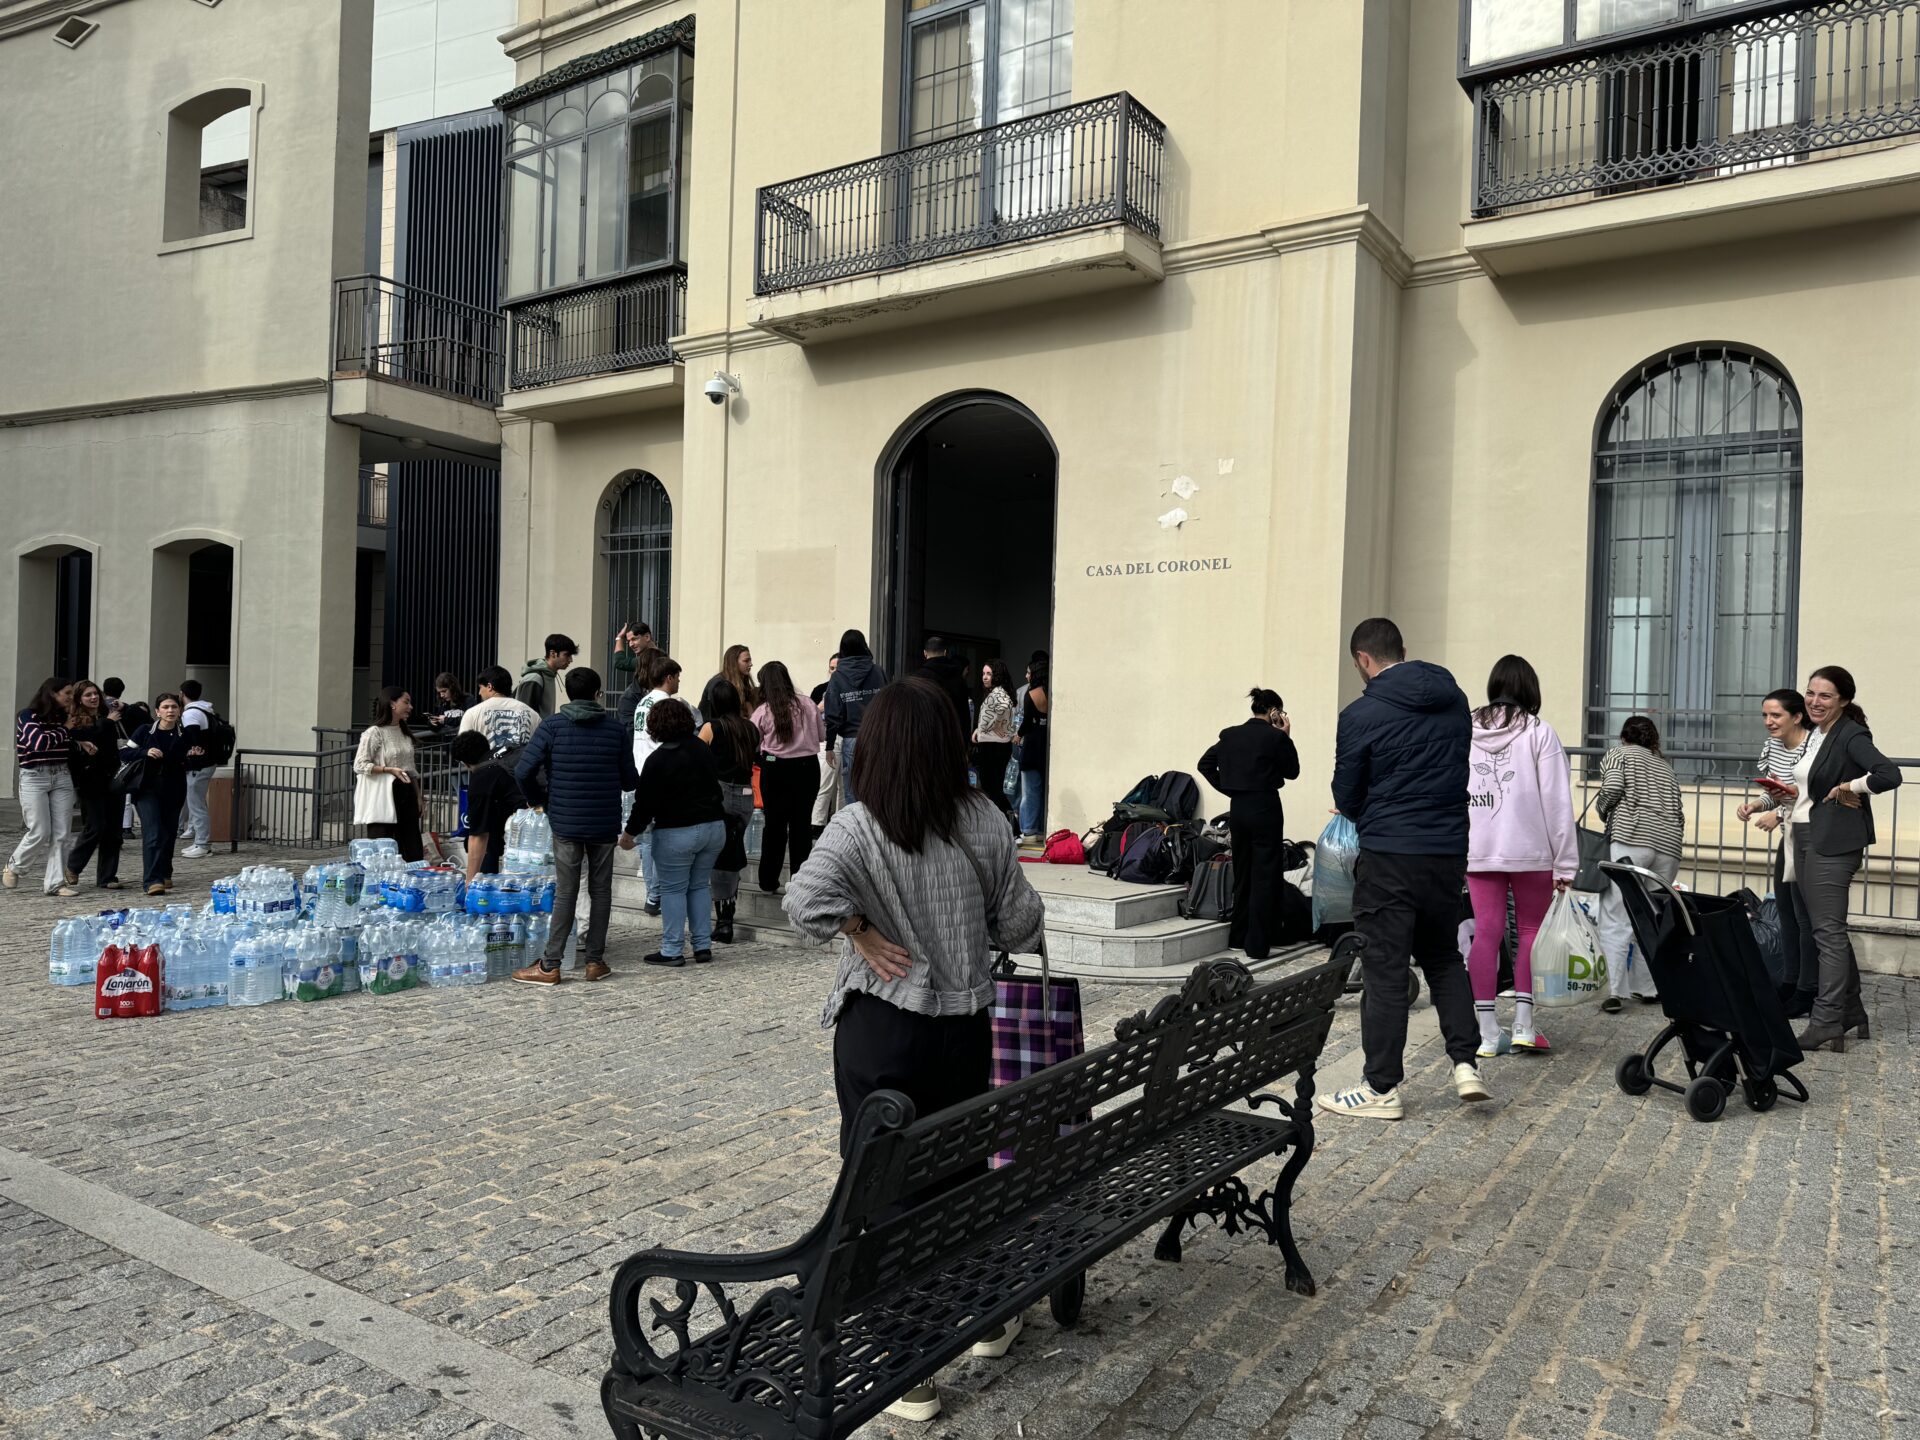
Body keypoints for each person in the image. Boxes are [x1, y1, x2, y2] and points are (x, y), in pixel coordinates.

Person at [783, 678, 1046, 1422]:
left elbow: (805, 903)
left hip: (880, 1031)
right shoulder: (985, 819)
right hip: (962, 1031)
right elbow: (1021, 926)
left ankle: (908, 1365)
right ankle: (983, 1318)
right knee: (957, 1176)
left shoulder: (860, 827)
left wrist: (861, 931)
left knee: (884, 1192)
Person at [1318, 618, 1488, 1121]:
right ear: (1403, 650)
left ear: (1363, 660)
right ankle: (1466, 1063)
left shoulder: (1360, 713)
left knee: (1385, 968)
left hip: (1390, 854)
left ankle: (1381, 1088)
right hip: (1446, 851)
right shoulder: (1455, 701)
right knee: (1442, 957)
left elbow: (1346, 795)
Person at [1464, 656, 1578, 1057]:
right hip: (1531, 850)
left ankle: (1486, 1030)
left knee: (1487, 931)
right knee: (1529, 931)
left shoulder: (1465, 730)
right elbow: (1557, 802)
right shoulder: (1540, 733)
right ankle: (1525, 1026)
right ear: (1531, 689)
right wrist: (1566, 862)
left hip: (1477, 850)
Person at [1790, 666, 1902, 1052]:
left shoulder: (1851, 733)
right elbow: (1811, 786)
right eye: (1810, 693)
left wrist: (1849, 787)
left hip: (1833, 843)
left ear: (1843, 701)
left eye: (1825, 696)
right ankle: (1850, 1011)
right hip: (1805, 834)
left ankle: (1825, 1020)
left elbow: (1889, 774)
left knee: (1828, 934)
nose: (1814, 701)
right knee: (1826, 930)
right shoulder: (1818, 735)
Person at [514, 667, 638, 985]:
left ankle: (550, 965)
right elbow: (629, 780)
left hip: (565, 821)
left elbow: (523, 771)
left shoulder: (552, 726)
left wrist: (539, 799)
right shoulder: (614, 730)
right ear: (598, 693)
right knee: (601, 891)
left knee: (566, 892)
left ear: (568, 693)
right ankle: (595, 961)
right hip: (603, 822)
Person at [1197, 687, 1301, 961]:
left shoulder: (1230, 735)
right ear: (1274, 712)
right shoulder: (1274, 737)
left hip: (1238, 809)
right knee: (1265, 874)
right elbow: (1292, 772)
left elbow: (1204, 764)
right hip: (1265, 807)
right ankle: (1256, 945)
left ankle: (1238, 936)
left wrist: (1231, 788)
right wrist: (1285, 736)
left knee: (1243, 871)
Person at [624, 698, 726, 967]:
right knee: (699, 886)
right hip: (713, 826)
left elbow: (644, 803)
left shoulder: (657, 760)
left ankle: (672, 948)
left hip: (676, 831)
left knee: (672, 890)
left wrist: (629, 834)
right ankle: (702, 945)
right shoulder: (702, 750)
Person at [1593, 716, 1685, 1014]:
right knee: (1650, 917)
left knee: (1616, 913)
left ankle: (1615, 990)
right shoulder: (1666, 767)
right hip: (1668, 846)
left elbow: (1613, 786)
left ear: (1624, 737)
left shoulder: (1618, 754)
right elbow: (1679, 812)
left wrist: (1603, 810)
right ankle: (1649, 987)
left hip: (1631, 837)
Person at [1735, 689, 1817, 1015]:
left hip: (1814, 838)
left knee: (1807, 918)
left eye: (1776, 715)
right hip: (1790, 837)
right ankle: (1791, 982)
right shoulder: (1771, 747)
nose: (1769, 722)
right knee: (1786, 912)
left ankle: (1809, 990)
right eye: (1765, 716)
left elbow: (1815, 796)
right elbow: (1776, 793)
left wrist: (1780, 813)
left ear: (1796, 716)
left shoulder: (1815, 745)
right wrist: (1755, 805)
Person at [751, 660, 823, 894]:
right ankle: (800, 881)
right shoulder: (808, 704)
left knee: (774, 826)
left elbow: (752, 740)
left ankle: (769, 881)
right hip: (807, 768)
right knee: (802, 825)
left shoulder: (763, 711)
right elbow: (822, 735)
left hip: (775, 769)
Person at [122, 693, 205, 895]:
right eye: (166, 707)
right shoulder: (145, 731)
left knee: (168, 833)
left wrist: (194, 758)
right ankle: (152, 881)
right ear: (158, 711)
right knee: (153, 832)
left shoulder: (186, 734)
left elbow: (196, 763)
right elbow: (124, 752)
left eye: (174, 707)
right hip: (146, 788)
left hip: (174, 787)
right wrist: (145, 752)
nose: (170, 711)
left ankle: (165, 872)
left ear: (180, 711)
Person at [631, 652, 693, 916]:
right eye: (677, 677)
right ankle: (659, 893)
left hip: (641, 773)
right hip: (662, 776)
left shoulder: (642, 701)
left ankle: (652, 894)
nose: (679, 682)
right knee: (662, 839)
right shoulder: (666, 704)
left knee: (647, 842)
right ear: (669, 677)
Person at [6, 677, 79, 897]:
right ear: (52, 694)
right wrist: (66, 729)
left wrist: (77, 740)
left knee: (62, 832)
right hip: (34, 776)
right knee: (40, 830)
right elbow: (38, 743)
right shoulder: (28, 716)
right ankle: (15, 866)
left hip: (61, 775)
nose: (70, 697)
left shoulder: (65, 717)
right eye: (67, 693)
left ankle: (55, 884)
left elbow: (62, 742)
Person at [698, 675, 757, 944]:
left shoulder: (711, 727)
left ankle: (723, 919)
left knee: (718, 856)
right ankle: (727, 913)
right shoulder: (750, 728)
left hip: (719, 794)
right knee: (732, 852)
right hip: (745, 794)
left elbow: (695, 757)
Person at [65, 679, 126, 890]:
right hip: (90, 780)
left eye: (95, 694)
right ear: (79, 699)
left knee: (114, 830)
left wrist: (120, 710)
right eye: (88, 695)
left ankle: (107, 876)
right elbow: (88, 740)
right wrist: (108, 723)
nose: (93, 698)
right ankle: (73, 866)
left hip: (113, 777)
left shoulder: (106, 715)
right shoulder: (75, 720)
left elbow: (140, 716)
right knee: (95, 825)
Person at [353, 687, 424, 862]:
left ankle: (411, 882)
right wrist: (388, 769)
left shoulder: (404, 732)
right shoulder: (374, 733)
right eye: (406, 702)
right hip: (384, 795)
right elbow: (360, 764)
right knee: (385, 844)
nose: (410, 707)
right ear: (392, 703)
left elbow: (411, 769)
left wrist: (419, 796)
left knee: (411, 841)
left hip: (406, 792)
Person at [824, 630, 888, 805]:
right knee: (878, 790)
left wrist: (829, 746)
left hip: (852, 739)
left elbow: (833, 715)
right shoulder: (878, 672)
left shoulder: (838, 677)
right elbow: (889, 704)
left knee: (853, 793)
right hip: (878, 738)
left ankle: (858, 831)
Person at [453, 729, 524, 881]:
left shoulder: (481, 778)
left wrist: (470, 882)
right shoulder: (505, 755)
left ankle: (485, 886)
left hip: (534, 830)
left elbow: (477, 836)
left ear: (465, 762)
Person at [458, 666, 540, 760]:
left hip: (487, 770)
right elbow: (540, 748)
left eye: (480, 687)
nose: (479, 693)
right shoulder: (532, 714)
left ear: (489, 686)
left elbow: (462, 750)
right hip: (522, 770)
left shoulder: (472, 713)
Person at [971, 658, 1016, 822]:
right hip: (996, 745)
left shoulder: (998, 694)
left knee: (992, 788)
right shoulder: (998, 692)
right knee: (993, 788)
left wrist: (985, 728)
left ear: (997, 675)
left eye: (989, 674)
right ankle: (1009, 824)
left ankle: (1011, 825)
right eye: (983, 673)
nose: (984, 677)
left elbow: (1002, 709)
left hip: (993, 747)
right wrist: (980, 729)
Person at [176, 679, 216, 858]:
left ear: (182, 694)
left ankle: (202, 843)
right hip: (207, 761)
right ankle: (199, 840)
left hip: (198, 764)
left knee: (196, 803)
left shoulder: (190, 713)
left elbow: (191, 736)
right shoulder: (205, 709)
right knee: (197, 801)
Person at [1015, 658, 1050, 843]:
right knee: (1045, 788)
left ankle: (1028, 829)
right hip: (1047, 739)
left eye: (1029, 672)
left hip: (1033, 740)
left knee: (1029, 789)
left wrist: (1018, 734)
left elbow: (1027, 721)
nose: (1027, 676)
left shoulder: (1032, 693)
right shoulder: (1051, 692)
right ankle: (1044, 827)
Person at [915, 636, 972, 740]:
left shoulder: (917, 678)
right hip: (951, 740)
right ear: (945, 652)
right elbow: (964, 717)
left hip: (924, 739)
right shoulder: (958, 679)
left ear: (925, 653)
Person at [811, 653, 842, 835]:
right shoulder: (820, 689)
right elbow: (806, 716)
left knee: (843, 786)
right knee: (824, 783)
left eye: (838, 668)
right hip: (824, 739)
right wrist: (819, 708)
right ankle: (816, 824)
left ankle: (839, 823)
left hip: (843, 736)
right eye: (832, 668)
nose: (834, 671)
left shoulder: (848, 689)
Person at [516, 633, 577, 716]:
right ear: (553, 654)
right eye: (567, 655)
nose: (570, 660)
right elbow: (525, 717)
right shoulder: (535, 678)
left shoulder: (549, 675)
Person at [612, 622, 656, 732]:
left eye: (634, 639)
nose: (631, 644)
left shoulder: (649, 658)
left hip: (636, 709)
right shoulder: (659, 656)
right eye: (628, 642)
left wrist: (619, 638)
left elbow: (619, 662)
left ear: (647, 637)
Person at [722, 643, 760, 715]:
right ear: (734, 663)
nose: (751, 664)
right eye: (746, 661)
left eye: (750, 660)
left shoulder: (744, 682)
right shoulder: (721, 684)